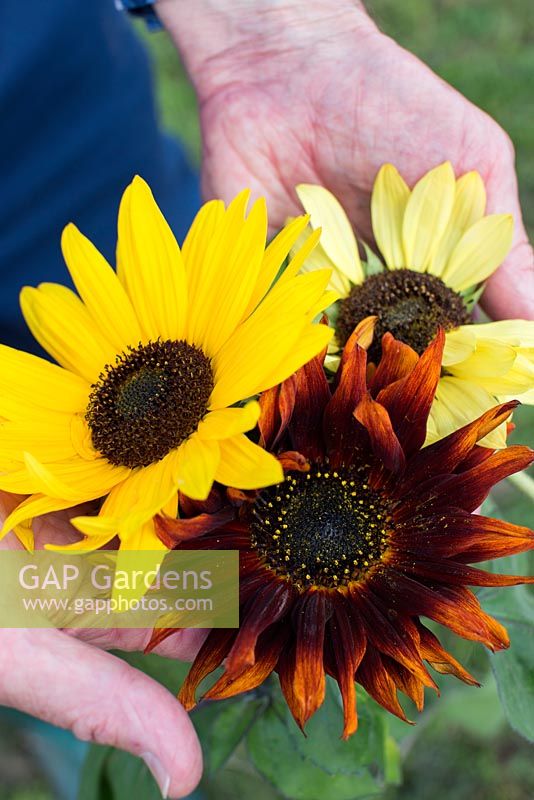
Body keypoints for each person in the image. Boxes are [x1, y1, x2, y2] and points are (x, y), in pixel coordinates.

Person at [0, 1, 532, 798]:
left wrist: (269, 29)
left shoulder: (256, 361)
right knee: (57, 597)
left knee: (78, 596)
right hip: (109, 417)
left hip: (81, 166)